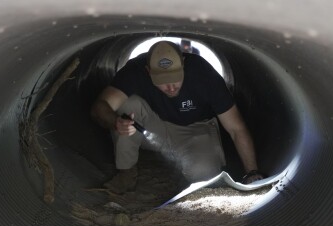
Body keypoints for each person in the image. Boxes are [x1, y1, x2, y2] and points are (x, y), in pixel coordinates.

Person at [90, 40, 264, 194]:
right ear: (148, 71)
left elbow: (236, 128)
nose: (171, 87)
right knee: (126, 106)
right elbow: (100, 106)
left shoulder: (203, 74)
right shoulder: (134, 71)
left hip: (197, 129)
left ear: (183, 63)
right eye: (163, 80)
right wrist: (116, 122)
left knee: (204, 175)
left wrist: (252, 172)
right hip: (156, 125)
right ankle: (126, 174)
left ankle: (189, 176)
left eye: (175, 78)